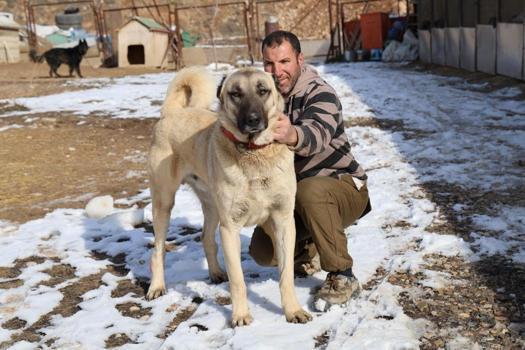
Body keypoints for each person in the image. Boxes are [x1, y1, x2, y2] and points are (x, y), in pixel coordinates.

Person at [248, 31, 371, 306]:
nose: (277, 71)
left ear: (300, 59)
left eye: (284, 61)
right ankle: (308, 251)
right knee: (263, 251)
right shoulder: (265, 98)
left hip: (343, 187)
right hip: (297, 196)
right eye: (269, 64)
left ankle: (342, 273)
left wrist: (291, 133)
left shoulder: (321, 93)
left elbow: (316, 136)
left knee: (310, 190)